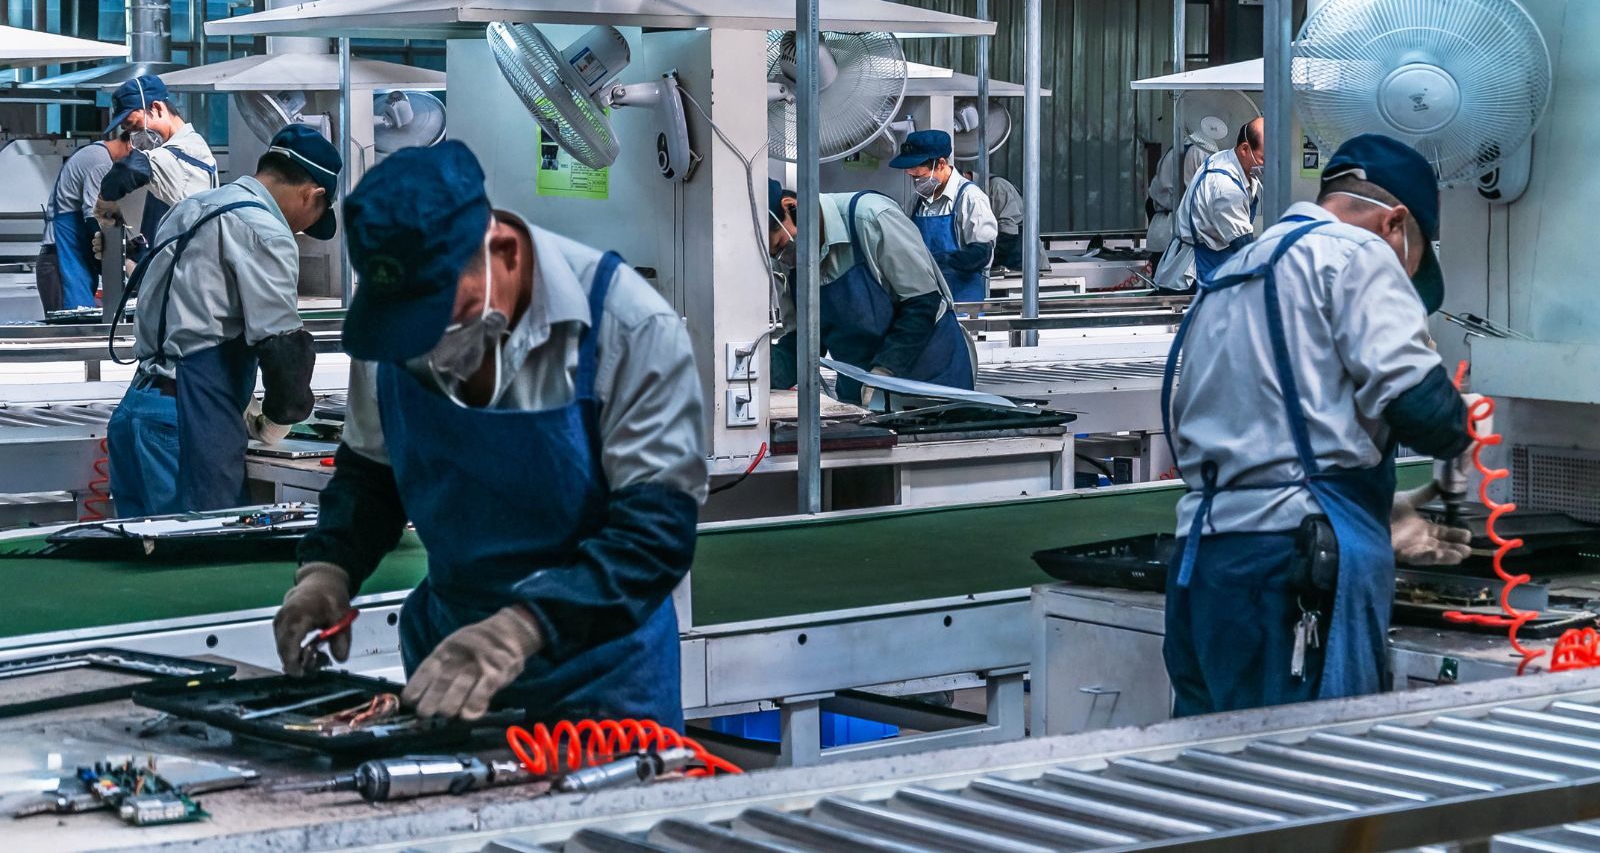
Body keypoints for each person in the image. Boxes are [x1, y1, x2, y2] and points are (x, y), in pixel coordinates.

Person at [273, 141, 706, 727]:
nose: (422, 346)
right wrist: (327, 571)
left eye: (439, 316)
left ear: (500, 249)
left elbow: (654, 535)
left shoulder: (627, 327)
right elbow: (370, 480)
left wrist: (519, 630)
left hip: (606, 680)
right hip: (447, 669)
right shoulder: (391, 336)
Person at [1161, 134, 1475, 717]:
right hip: (1288, 572)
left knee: (1213, 786)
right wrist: (1463, 424)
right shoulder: (1357, 253)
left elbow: (1270, 429)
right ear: (1396, 224)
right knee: (1307, 783)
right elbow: (1425, 410)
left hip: (1200, 567)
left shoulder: (1239, 270)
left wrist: (1376, 510)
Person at [106, 124, 337, 518]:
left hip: (138, 410)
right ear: (312, 195)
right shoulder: (264, 230)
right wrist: (278, 420)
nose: (302, 231)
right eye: (312, 219)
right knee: (200, 566)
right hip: (189, 424)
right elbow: (283, 346)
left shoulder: (190, 209)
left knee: (142, 566)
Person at [768, 181, 975, 410]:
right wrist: (760, 374)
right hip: (859, 387)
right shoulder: (785, 260)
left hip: (928, 377)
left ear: (791, 207)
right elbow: (803, 341)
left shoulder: (872, 218)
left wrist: (883, 372)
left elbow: (923, 303)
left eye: (781, 245)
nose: (784, 259)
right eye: (775, 254)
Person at [92, 75, 218, 266]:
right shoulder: (164, 157)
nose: (134, 136)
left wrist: (104, 201)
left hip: (191, 273)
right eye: (128, 131)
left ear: (157, 108)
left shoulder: (186, 152)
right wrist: (119, 244)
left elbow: (129, 168)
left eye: (135, 126)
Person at [1152, 117, 1265, 291]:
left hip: (1213, 264)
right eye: (1263, 158)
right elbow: (1243, 245)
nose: (1268, 165)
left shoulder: (1227, 159)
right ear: (1244, 149)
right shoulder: (1225, 188)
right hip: (1196, 275)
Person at [891, 130, 998, 303]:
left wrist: (949, 261)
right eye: (912, 178)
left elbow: (983, 252)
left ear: (940, 164)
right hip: (925, 299)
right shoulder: (918, 201)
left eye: (920, 177)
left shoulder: (970, 197)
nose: (916, 183)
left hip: (961, 300)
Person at [36, 132, 134, 312]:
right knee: (71, 330)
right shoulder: (100, 161)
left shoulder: (98, 154)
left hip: (75, 260)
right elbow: (93, 216)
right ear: (132, 145)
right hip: (60, 261)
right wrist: (121, 258)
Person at [1145, 129, 1219, 256]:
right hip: (1186, 239)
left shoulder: (1174, 150)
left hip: (1160, 235)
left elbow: (1150, 202)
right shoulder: (1204, 153)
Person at [962, 169, 1024, 273]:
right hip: (1003, 266)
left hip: (1023, 266)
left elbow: (1008, 235)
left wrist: (979, 258)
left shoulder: (997, 187)